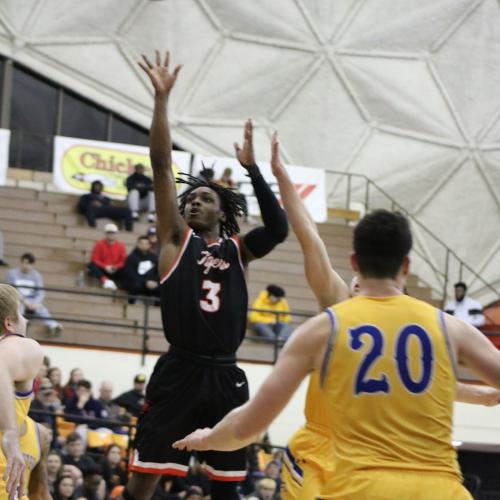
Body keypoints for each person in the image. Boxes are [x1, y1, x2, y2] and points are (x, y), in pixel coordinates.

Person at [174, 209, 500, 500]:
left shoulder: (328, 331)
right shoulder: (440, 327)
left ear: (357, 263)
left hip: (361, 474)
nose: (355, 288)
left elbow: (249, 422)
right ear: (404, 268)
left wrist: (212, 437)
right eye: (352, 286)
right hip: (413, 478)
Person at [269, 133, 500, 499]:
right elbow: (311, 239)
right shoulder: (337, 311)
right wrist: (282, 178)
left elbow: (427, 386)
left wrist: (484, 396)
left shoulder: (412, 328)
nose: (355, 282)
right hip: (322, 449)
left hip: (376, 462)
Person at [123, 51, 287, 500]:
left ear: (222, 208)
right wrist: (161, 101)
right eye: (188, 198)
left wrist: (252, 168)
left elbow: (279, 228)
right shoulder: (176, 242)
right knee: (142, 484)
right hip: (179, 370)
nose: (193, 202)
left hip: (226, 376)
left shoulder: (239, 251)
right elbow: (160, 165)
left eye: (204, 198)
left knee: (227, 489)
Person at [0, 284, 44, 500]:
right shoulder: (23, 346)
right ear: (9, 322)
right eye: (22, 313)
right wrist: (9, 431)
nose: (26, 320)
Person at [6, 253, 62, 337]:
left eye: (29, 264)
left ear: (32, 265)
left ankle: (53, 326)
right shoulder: (12, 273)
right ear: (21, 262)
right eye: (25, 263)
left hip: (32, 300)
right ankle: (17, 331)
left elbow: (40, 292)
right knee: (19, 308)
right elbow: (13, 290)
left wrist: (35, 303)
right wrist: (25, 302)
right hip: (18, 299)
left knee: (41, 309)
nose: (26, 266)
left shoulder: (36, 276)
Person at [87, 224, 127, 291]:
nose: (111, 235)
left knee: (127, 268)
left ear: (116, 234)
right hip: (103, 269)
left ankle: (124, 287)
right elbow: (95, 259)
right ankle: (105, 281)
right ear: (105, 234)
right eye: (109, 233)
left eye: (113, 233)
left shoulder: (121, 246)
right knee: (91, 264)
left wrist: (115, 267)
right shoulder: (99, 244)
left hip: (115, 270)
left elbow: (123, 261)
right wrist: (105, 266)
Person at [121, 236, 160, 303]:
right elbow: (130, 274)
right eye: (142, 243)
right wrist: (145, 282)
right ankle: (131, 304)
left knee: (161, 288)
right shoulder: (131, 257)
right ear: (137, 244)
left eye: (146, 244)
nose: (144, 245)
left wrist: (155, 282)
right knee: (135, 286)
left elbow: (157, 272)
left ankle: (157, 309)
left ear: (149, 245)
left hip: (150, 283)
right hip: (136, 283)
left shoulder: (154, 258)